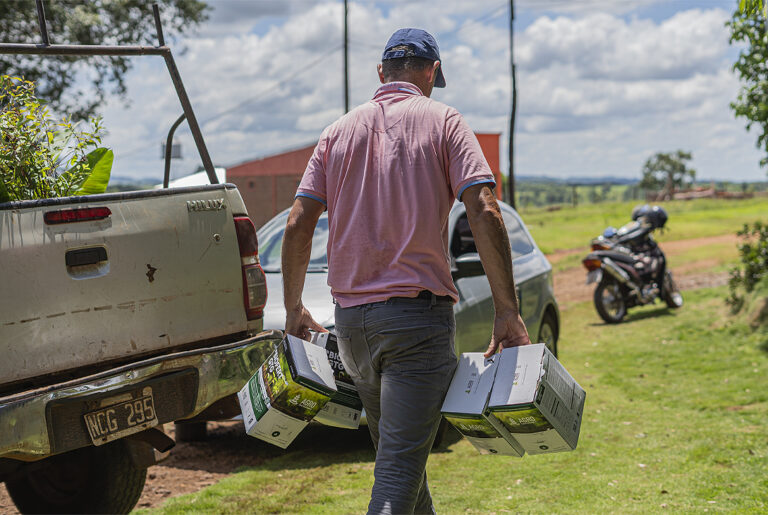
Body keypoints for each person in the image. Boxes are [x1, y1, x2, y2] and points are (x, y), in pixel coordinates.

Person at [281, 28, 531, 515]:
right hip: (417, 325)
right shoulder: (444, 121)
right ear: (432, 72)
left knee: (401, 463)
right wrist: (507, 310)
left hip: (352, 327)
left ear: (381, 73)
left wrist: (293, 308)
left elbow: (297, 222)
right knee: (397, 473)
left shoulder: (338, 131)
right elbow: (483, 207)